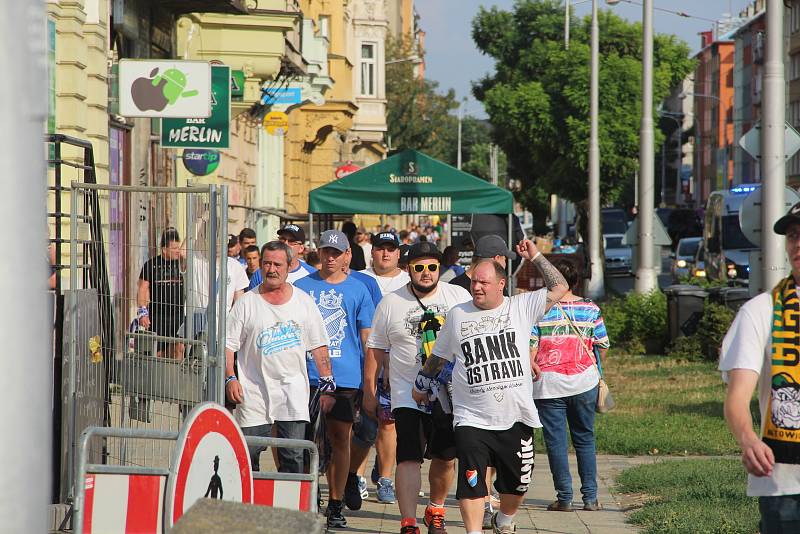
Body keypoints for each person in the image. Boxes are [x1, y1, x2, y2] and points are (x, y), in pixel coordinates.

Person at [413, 240, 569, 534]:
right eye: (473, 282)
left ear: (501, 284)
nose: (477, 288)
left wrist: (534, 255)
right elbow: (439, 356)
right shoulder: (458, 314)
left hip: (516, 415)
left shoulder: (521, 306)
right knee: (471, 481)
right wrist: (420, 383)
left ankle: (505, 519)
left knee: (517, 484)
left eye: (484, 282)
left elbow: (559, 286)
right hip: (471, 417)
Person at [364, 241, 472, 534]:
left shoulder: (458, 296)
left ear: (440, 268)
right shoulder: (391, 303)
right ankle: (408, 521)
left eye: (432, 267)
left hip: (449, 394)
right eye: (419, 267)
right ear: (408, 270)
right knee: (408, 455)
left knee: (446, 457)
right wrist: (369, 391)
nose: (426, 273)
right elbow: (375, 349)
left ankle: (435, 508)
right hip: (404, 393)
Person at [721, 202, 800, 534]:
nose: (798, 243)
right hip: (784, 483)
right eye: (794, 235)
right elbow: (737, 397)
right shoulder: (761, 311)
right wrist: (748, 440)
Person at [226, 241, 334, 473]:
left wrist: (327, 384)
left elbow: (319, 345)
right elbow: (228, 345)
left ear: (288, 267)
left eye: (277, 264)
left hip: (292, 392)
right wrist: (230, 378)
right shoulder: (246, 303)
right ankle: (246, 506)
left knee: (292, 455)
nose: (271, 269)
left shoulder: (303, 301)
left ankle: (290, 506)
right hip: (253, 392)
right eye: (266, 263)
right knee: (248, 452)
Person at [295, 230, 375, 529]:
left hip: (345, 376)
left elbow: (367, 339)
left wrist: (371, 381)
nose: (330, 257)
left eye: (336, 253)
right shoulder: (302, 287)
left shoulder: (358, 289)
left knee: (341, 438)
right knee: (304, 440)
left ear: (346, 256)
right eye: (326, 251)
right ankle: (307, 495)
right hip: (306, 374)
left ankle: (336, 503)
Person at [531, 257, 609, 512]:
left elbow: (531, 348)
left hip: (548, 385)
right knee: (585, 439)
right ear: (575, 281)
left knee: (556, 443)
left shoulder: (539, 309)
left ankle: (564, 498)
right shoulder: (590, 309)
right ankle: (591, 498)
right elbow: (602, 346)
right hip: (584, 383)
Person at [137, 227, 185, 358]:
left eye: (178, 247)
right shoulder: (151, 265)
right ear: (164, 249)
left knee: (179, 348)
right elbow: (142, 289)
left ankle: (175, 377)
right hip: (158, 317)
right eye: (174, 248)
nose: (177, 251)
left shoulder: (181, 264)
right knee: (157, 353)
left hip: (178, 316)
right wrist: (143, 313)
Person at [450, 235, 515, 296]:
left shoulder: (453, 287)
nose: (505, 263)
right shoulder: (496, 287)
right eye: (504, 259)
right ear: (497, 259)